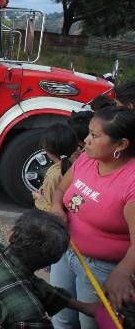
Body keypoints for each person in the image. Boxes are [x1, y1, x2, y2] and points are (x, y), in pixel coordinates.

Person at [50, 106, 135, 329]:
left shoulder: (131, 183)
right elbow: (60, 191)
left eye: (95, 136)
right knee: (60, 317)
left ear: (121, 144)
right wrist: (57, 208)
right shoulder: (88, 159)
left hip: (101, 268)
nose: (85, 140)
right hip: (66, 252)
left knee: (90, 323)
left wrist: (123, 271)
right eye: (89, 133)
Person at [32, 123, 79, 211]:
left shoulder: (54, 175)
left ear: (47, 149)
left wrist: (39, 199)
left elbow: (54, 210)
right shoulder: (78, 163)